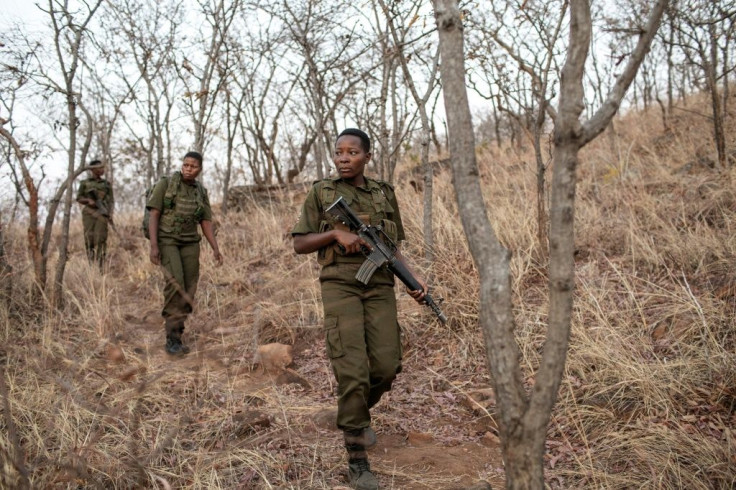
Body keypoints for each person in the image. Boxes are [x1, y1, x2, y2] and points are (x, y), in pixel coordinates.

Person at [292, 128, 426, 490]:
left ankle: (353, 414)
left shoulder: (384, 193)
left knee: (386, 365)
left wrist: (413, 281)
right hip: (340, 285)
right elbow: (300, 243)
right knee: (352, 371)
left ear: (367, 156)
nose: (344, 158)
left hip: (380, 284)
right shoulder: (322, 192)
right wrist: (336, 235)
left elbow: (392, 245)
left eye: (352, 152)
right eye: (339, 152)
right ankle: (356, 459)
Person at [146, 151, 223, 355]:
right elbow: (154, 214)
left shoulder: (200, 191)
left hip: (190, 242)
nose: (188, 169)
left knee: (189, 289)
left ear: (199, 169)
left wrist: (215, 247)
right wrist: (154, 245)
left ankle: (178, 332)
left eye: (193, 166)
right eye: (186, 165)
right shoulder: (167, 184)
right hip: (167, 240)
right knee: (175, 284)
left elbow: (205, 221)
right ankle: (172, 339)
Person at [76, 160, 114, 268]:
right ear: (93, 170)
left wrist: (110, 214)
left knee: (101, 239)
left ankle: (101, 266)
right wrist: (88, 201)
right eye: (99, 168)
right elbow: (79, 198)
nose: (102, 170)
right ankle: (91, 265)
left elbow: (111, 201)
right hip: (89, 213)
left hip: (102, 214)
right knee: (89, 238)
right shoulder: (85, 183)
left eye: (103, 168)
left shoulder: (106, 184)